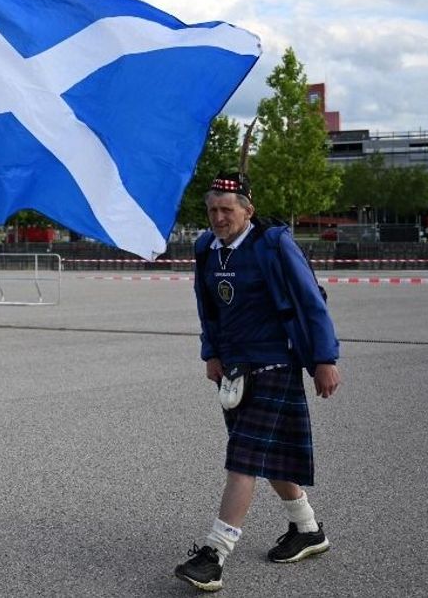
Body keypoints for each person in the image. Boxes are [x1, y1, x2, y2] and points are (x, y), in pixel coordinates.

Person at [175, 172, 341, 592]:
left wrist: (325, 358)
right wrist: (210, 353)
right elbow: (208, 308)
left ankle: (214, 555)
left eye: (227, 209)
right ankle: (307, 529)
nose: (218, 217)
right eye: (212, 210)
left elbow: (310, 300)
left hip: (273, 366)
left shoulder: (273, 244)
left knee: (244, 459)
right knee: (266, 456)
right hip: (233, 371)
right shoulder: (206, 250)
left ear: (248, 210)